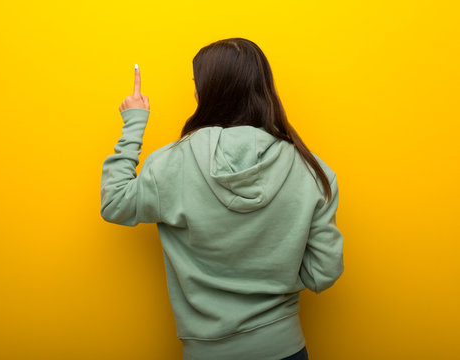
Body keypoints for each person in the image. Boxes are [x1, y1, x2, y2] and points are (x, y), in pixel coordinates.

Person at [101, 38, 344, 360]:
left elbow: (114, 203)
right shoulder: (313, 170)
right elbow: (323, 272)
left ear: (206, 90)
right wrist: (274, 276)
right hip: (285, 347)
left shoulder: (171, 163)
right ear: (264, 88)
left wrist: (133, 125)